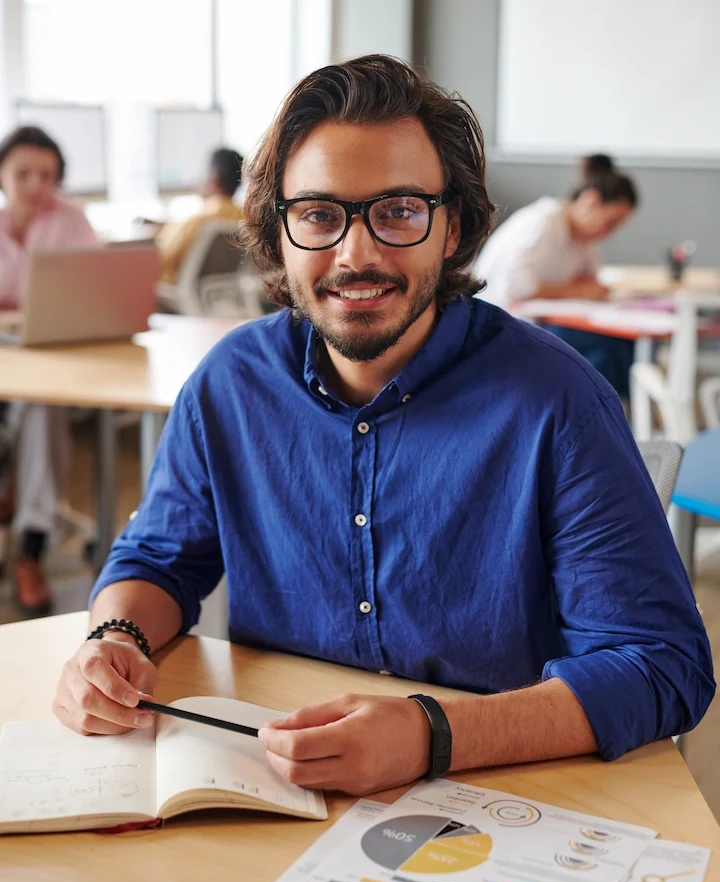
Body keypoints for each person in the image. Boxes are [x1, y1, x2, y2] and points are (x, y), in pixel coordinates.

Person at [53, 56, 713, 796]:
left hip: (506, 791)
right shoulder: (230, 386)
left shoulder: (558, 403)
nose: (356, 253)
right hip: (276, 784)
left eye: (398, 210)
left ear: (451, 225)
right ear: (282, 231)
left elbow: (661, 665)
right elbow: (158, 560)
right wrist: (115, 638)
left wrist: (433, 734)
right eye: (319, 215)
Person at [0, 125, 99, 613]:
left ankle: (30, 547)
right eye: (23, 174)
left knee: (38, 405)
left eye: (47, 175)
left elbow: (94, 290)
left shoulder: (72, 221)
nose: (36, 185)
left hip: (47, 356)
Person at [475, 154, 638, 397]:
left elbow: (591, 281)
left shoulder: (581, 238)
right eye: (610, 222)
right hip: (499, 327)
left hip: (537, 321)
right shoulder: (542, 223)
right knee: (609, 351)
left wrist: (581, 288)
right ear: (590, 201)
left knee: (614, 350)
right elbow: (516, 286)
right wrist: (574, 290)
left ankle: (617, 419)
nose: (609, 233)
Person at [155, 147, 243, 284]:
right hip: (219, 294)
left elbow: (161, 257)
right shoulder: (246, 218)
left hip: (176, 294)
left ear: (213, 178)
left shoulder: (199, 222)